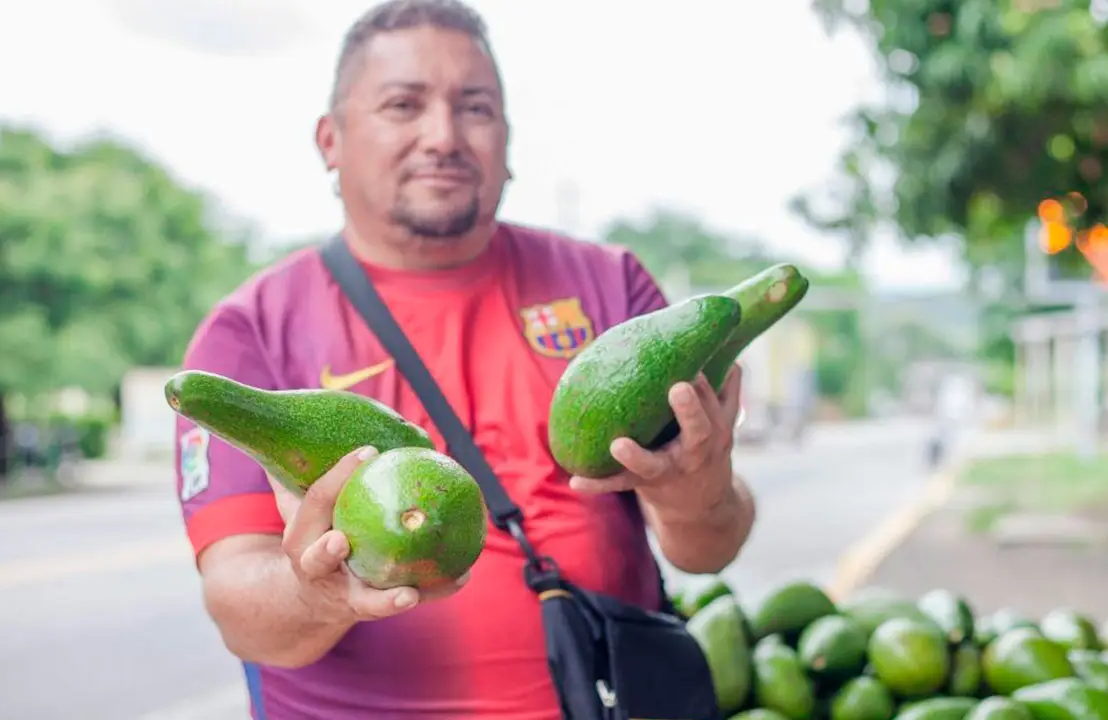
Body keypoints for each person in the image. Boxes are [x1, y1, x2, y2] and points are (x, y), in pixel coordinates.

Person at [171, 1, 757, 718]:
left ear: (508, 139)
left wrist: (694, 490)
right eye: (403, 104)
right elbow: (237, 607)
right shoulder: (249, 332)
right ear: (332, 139)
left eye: (475, 107)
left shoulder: (612, 286)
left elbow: (709, 548)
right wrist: (311, 592)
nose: (443, 136)